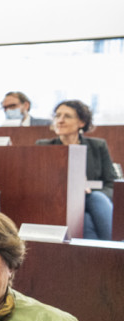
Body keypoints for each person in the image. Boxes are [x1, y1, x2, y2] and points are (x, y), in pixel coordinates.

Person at [37, 99, 116, 240]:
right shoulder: (44, 147)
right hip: (59, 203)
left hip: (92, 200)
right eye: (57, 116)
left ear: (82, 122)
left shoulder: (98, 146)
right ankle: (115, 250)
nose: (60, 120)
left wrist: (90, 191)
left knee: (94, 202)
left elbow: (111, 183)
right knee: (84, 218)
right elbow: (39, 183)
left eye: (67, 116)